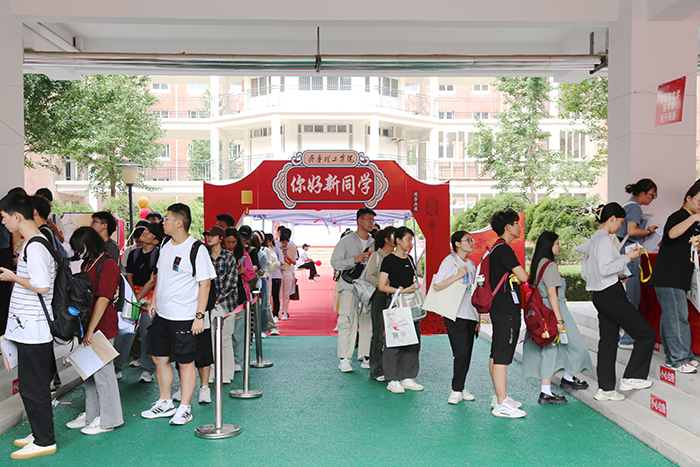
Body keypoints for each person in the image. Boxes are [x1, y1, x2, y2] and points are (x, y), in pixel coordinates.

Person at [141, 203, 216, 426]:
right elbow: (161, 275)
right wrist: (154, 300)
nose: (162, 222)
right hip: (163, 314)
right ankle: (165, 402)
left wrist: (199, 316)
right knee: (159, 358)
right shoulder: (165, 244)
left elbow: (205, 285)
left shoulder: (196, 249)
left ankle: (184, 408)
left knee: (185, 362)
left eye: (166, 218)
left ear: (179, 222)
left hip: (185, 316)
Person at [575, 203, 656, 402]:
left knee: (608, 342)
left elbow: (587, 273)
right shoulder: (604, 240)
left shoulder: (593, 240)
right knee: (647, 334)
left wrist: (616, 275)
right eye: (620, 222)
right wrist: (627, 258)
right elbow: (605, 269)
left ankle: (606, 389)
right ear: (612, 218)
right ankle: (632, 377)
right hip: (611, 294)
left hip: (600, 294)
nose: (621, 227)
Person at [0, 191, 57, 459]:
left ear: (17, 216)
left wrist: (13, 277)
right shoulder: (35, 242)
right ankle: (39, 433)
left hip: (34, 329)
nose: (3, 222)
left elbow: (42, 286)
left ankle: (45, 440)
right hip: (29, 328)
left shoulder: (34, 246)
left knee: (33, 387)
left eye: (3, 217)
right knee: (30, 385)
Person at [64, 227, 124, 435]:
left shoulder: (108, 264)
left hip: (102, 327)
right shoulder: (89, 263)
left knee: (104, 374)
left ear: (88, 244)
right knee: (89, 374)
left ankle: (109, 419)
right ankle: (92, 414)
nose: (77, 252)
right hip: (88, 325)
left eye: (79, 247)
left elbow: (104, 298)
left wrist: (90, 330)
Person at [522, 231, 592, 405]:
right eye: (557, 243)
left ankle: (565, 378)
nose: (559, 246)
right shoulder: (550, 265)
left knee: (555, 348)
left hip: (543, 312)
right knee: (574, 346)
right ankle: (549, 390)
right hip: (554, 311)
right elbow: (552, 293)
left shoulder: (538, 263)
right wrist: (560, 320)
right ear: (549, 245)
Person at [650, 181, 700, 374]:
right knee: (678, 317)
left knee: (671, 317)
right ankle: (680, 359)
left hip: (679, 277)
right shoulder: (678, 217)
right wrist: (694, 217)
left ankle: (673, 358)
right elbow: (671, 234)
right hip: (669, 277)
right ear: (688, 198)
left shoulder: (694, 222)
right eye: (699, 201)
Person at [487, 209, 530, 418]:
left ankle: (499, 396)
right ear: (508, 227)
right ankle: (501, 403)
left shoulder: (496, 248)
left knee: (497, 352)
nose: (519, 226)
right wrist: (518, 275)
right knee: (502, 354)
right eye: (516, 223)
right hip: (506, 308)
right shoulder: (504, 249)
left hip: (500, 307)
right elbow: (524, 276)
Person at [432, 230, 480, 404]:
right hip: (455, 313)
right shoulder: (450, 261)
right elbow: (437, 285)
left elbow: (473, 291)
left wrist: (478, 317)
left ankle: (461, 386)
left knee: (467, 353)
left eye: (471, 239)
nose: (471, 242)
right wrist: (458, 275)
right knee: (461, 352)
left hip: (471, 313)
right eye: (468, 240)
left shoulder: (472, 264)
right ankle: (456, 390)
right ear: (457, 244)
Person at [116, 221, 163, 383]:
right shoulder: (134, 253)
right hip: (133, 296)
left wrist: (137, 297)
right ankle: (116, 367)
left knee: (147, 333)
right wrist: (132, 294)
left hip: (149, 299)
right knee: (125, 332)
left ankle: (148, 370)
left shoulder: (159, 254)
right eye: (146, 229)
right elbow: (129, 274)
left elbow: (153, 280)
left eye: (149, 232)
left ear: (156, 240)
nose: (145, 232)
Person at [378, 226, 422, 393]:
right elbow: (382, 286)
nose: (410, 243)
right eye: (408, 239)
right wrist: (401, 291)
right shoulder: (388, 260)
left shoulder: (410, 259)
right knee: (395, 341)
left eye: (411, 239)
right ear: (398, 240)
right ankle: (392, 379)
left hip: (411, 304)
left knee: (413, 340)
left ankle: (407, 377)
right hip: (396, 303)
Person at [331, 208, 375, 373]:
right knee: (347, 320)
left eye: (373, 220)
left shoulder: (374, 242)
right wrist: (354, 260)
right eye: (369, 219)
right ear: (359, 221)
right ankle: (345, 359)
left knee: (368, 321)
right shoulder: (346, 241)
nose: (371, 223)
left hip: (368, 287)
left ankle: (366, 356)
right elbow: (335, 262)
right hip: (349, 286)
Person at [617, 179, 658, 350]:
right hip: (630, 252)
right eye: (652, 195)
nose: (652, 198)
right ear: (642, 193)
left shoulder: (628, 204)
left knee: (626, 294)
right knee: (632, 296)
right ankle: (627, 338)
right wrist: (649, 231)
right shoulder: (634, 207)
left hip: (623, 251)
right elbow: (632, 231)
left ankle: (622, 334)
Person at [204, 226, 238, 384]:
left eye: (212, 235)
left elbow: (231, 283)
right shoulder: (204, 256)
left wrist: (216, 299)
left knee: (225, 340)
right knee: (210, 341)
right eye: (207, 235)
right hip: (208, 304)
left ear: (220, 238)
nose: (209, 238)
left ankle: (226, 374)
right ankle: (211, 373)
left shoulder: (229, 256)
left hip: (226, 304)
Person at [364, 226, 396, 381]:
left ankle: (390, 367)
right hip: (380, 296)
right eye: (393, 235)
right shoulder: (377, 256)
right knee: (378, 334)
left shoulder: (397, 256)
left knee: (393, 333)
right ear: (386, 239)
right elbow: (369, 275)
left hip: (395, 296)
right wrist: (384, 285)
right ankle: (376, 370)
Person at [265, 233, 282, 335]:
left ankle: (276, 315)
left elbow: (279, 262)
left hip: (273, 276)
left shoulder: (271, 250)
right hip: (269, 277)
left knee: (274, 297)